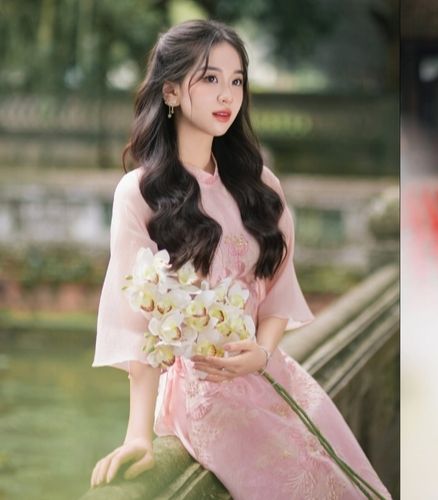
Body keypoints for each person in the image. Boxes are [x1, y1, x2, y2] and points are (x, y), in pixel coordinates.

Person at [88, 20, 390, 499]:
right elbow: (137, 327)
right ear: (170, 92)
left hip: (273, 374)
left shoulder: (259, 185)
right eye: (209, 78)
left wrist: (263, 353)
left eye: (236, 80)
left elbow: (278, 292)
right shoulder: (139, 194)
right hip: (204, 395)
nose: (227, 94)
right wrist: (138, 435)